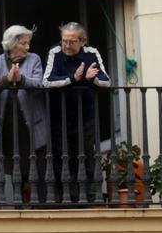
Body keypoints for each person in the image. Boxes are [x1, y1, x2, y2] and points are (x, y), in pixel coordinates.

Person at [43, 22, 111, 197]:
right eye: (64, 41)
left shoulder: (92, 53)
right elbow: (47, 81)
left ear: (83, 41)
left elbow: (106, 81)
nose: (66, 45)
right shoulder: (55, 52)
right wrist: (73, 78)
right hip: (59, 116)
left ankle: (89, 196)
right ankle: (66, 197)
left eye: (71, 41)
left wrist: (91, 78)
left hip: (85, 115)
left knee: (87, 155)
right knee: (62, 157)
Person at [0, 24, 47, 197]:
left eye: (28, 43)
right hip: (9, 126)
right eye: (24, 43)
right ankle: (22, 206)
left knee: (37, 168)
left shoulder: (34, 59)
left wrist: (22, 79)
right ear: (12, 44)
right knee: (17, 169)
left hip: (32, 125)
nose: (28, 47)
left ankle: (37, 205)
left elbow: (40, 84)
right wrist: (6, 79)